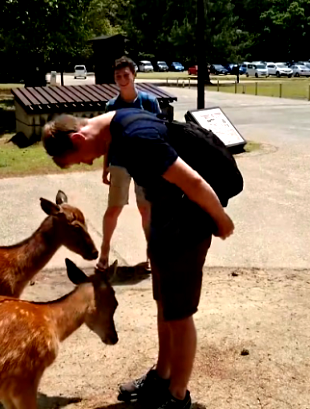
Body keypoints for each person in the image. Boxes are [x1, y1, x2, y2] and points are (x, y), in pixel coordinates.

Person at [41, 109, 235, 409]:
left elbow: (193, 182)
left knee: (179, 314)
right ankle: (162, 375)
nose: (89, 162)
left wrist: (221, 220)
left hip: (187, 223)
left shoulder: (136, 138)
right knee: (165, 304)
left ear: (80, 137)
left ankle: (178, 396)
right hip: (165, 220)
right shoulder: (115, 124)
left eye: (82, 158)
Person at [98, 56, 162, 271]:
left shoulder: (149, 103)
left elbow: (160, 133)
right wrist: (105, 167)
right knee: (114, 208)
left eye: (126, 75)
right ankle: (104, 252)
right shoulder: (111, 106)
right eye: (118, 76)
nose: (122, 79)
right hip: (120, 162)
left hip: (145, 164)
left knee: (146, 210)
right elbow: (108, 138)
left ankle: (151, 253)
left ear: (134, 75)